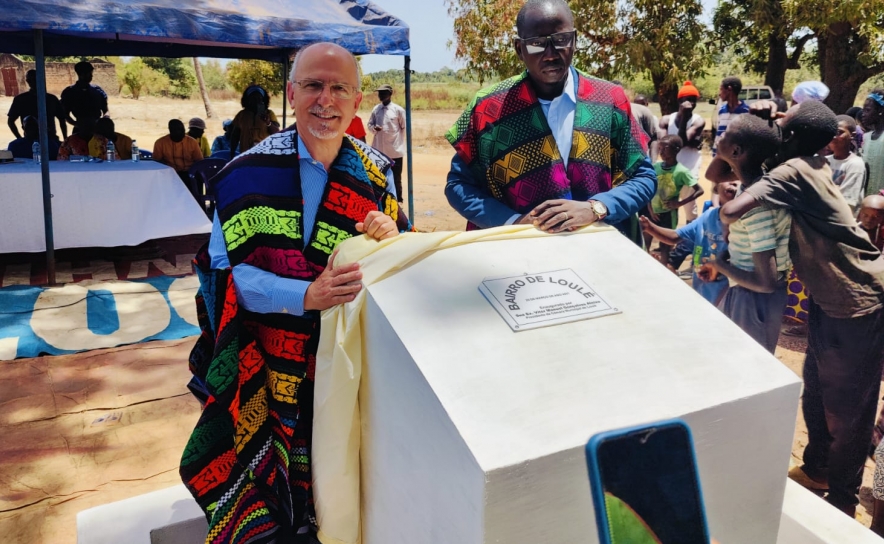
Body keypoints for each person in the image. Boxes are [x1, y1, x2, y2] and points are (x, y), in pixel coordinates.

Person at [179, 42, 407, 544]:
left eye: (339, 88)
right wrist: (306, 295)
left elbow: (401, 263)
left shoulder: (375, 174)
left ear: (356, 99)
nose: (325, 100)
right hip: (263, 364)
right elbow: (224, 278)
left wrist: (389, 237)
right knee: (266, 488)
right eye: (313, 86)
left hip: (344, 367)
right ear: (291, 92)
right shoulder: (246, 175)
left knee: (337, 477)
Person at [720, 99, 884, 517]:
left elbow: (732, 208)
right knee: (815, 388)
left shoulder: (793, 170)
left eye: (782, 123)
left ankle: (843, 500)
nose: (775, 126)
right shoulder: (811, 162)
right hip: (831, 298)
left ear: (792, 136)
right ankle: (818, 469)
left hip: (857, 302)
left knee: (848, 410)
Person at [445, 0, 655, 241]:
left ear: (574, 40)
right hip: (518, 254)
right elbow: (458, 186)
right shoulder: (489, 108)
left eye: (561, 40)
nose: (550, 54)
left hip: (598, 251)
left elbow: (644, 177)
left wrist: (595, 208)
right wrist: (515, 223)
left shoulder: (609, 100)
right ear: (518, 48)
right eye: (536, 44)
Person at [709, 115, 792, 353]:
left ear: (736, 150)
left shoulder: (756, 207)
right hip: (746, 290)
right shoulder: (753, 184)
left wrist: (721, 265)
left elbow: (766, 283)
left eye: (724, 133)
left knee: (749, 366)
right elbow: (713, 175)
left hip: (754, 297)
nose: (719, 135)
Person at [640, 180, 736, 306]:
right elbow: (675, 236)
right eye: (728, 178)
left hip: (728, 293)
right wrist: (649, 227)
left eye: (739, 180)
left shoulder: (745, 223)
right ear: (716, 188)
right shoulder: (709, 216)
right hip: (701, 286)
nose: (734, 183)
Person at [642, 134, 703, 262]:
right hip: (652, 211)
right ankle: (644, 267)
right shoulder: (656, 167)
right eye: (660, 148)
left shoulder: (682, 171)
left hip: (668, 214)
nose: (661, 152)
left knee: (665, 246)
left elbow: (700, 190)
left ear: (676, 149)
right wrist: (650, 208)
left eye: (665, 148)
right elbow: (649, 188)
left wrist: (679, 204)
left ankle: (664, 271)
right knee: (645, 242)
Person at [660, 81, 705, 222]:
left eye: (693, 100)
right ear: (680, 101)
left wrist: (685, 120)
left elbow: (681, 142)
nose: (691, 103)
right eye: (687, 99)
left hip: (689, 168)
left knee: (690, 209)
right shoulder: (666, 120)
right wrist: (692, 142)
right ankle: (667, 241)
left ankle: (688, 242)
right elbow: (664, 143)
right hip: (669, 169)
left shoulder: (698, 121)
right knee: (667, 205)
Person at [367, 84, 406, 202]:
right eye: (379, 93)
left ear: (390, 94)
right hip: (378, 151)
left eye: (383, 93)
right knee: (379, 177)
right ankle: (381, 200)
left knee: (396, 178)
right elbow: (369, 125)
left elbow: (404, 128)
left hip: (395, 151)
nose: (380, 95)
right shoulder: (376, 109)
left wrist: (398, 142)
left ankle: (398, 200)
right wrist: (374, 128)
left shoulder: (398, 110)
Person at [7, 69, 67, 141]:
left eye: (35, 79)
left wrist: (65, 140)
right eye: (31, 80)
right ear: (28, 81)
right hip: (33, 140)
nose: (34, 82)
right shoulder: (20, 99)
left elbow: (62, 119)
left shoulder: (52, 99)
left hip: (49, 139)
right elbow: (10, 121)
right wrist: (20, 139)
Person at [825, 115, 866, 214]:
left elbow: (847, 203)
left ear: (852, 135)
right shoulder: (824, 161)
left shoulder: (855, 164)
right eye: (832, 132)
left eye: (840, 132)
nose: (834, 136)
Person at [229, 85, 280, 155]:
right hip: (246, 154)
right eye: (253, 98)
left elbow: (276, 133)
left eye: (259, 98)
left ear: (263, 100)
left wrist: (268, 122)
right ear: (248, 100)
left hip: (265, 154)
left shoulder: (269, 114)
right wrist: (232, 153)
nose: (256, 101)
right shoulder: (242, 115)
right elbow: (235, 136)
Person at [152, 119, 203, 188]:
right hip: (169, 174)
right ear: (171, 131)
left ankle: (196, 198)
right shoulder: (160, 143)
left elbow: (199, 161)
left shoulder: (192, 142)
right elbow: (157, 162)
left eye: (183, 130)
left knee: (198, 178)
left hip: (189, 173)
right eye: (178, 130)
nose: (182, 132)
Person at [60, 61, 108, 127]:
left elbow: (105, 110)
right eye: (89, 73)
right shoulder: (69, 93)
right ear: (81, 74)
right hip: (80, 131)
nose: (92, 76)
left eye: (91, 73)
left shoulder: (98, 91)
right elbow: (65, 114)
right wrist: (77, 125)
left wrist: (106, 119)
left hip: (97, 129)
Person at [712, 77, 749, 157]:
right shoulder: (721, 110)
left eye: (721, 89)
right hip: (719, 155)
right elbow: (719, 134)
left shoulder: (746, 112)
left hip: (734, 157)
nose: (719, 93)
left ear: (729, 89)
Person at [862, 89, 884, 196]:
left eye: (867, 110)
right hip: (865, 204)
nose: (863, 114)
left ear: (880, 111)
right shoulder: (866, 138)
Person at [631, 94, 659, 161]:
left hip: (644, 155)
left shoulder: (652, 117)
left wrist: (653, 161)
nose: (640, 106)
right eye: (637, 104)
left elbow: (654, 138)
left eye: (642, 104)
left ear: (647, 104)